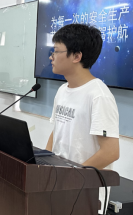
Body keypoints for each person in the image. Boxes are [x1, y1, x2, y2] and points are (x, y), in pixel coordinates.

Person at [45, 24, 120, 170]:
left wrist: (73, 176)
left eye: (56, 51)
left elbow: (110, 152)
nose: (51, 57)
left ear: (76, 56)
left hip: (83, 182)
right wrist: (44, 162)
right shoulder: (62, 90)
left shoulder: (99, 96)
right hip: (59, 176)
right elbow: (57, 131)